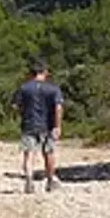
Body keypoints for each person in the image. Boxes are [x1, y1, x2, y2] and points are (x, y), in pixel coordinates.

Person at [11, 59, 65, 193]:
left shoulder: (24, 88)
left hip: (29, 124)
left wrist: (24, 113)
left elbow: (15, 106)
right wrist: (57, 126)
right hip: (48, 125)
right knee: (49, 153)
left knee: (29, 153)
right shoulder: (53, 89)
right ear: (45, 72)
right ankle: (50, 180)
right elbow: (58, 107)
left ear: (31, 73)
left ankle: (29, 180)